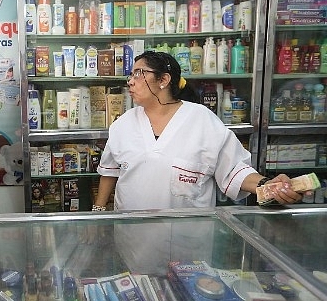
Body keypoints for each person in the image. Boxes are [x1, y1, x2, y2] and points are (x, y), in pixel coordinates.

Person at [92, 50, 306, 274]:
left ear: (164, 80)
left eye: (138, 73)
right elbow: (110, 170)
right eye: (131, 74)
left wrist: (267, 185)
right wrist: (98, 212)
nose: (130, 81)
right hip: (134, 240)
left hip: (186, 242)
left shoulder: (201, 120)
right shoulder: (123, 125)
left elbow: (234, 169)